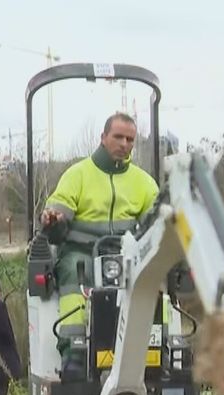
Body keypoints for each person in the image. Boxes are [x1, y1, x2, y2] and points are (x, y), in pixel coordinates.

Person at [39, 112, 159, 371]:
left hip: (126, 255)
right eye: (118, 137)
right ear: (103, 137)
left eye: (130, 139)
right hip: (83, 254)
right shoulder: (78, 175)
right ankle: (74, 349)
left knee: (154, 275)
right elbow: (57, 219)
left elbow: (157, 221)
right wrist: (54, 220)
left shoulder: (144, 183)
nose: (124, 144)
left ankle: (151, 346)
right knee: (73, 271)